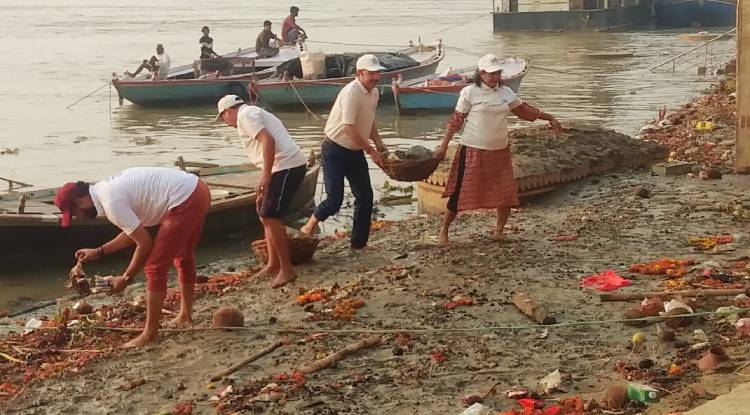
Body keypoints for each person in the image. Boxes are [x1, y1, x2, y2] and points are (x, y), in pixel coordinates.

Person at [53, 167, 210, 348]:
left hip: (185, 200)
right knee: (182, 256)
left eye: (74, 213)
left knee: (154, 268)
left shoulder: (111, 203)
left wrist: (126, 278)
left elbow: (144, 243)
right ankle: (185, 316)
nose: (78, 218)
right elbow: (133, 233)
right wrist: (99, 251)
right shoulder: (106, 191)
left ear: (80, 201)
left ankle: (150, 334)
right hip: (197, 190)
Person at [434, 54, 562, 246]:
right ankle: (444, 232)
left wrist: (549, 117)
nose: (495, 77)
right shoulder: (469, 92)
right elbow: (455, 121)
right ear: (481, 74)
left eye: (498, 73)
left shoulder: (506, 93)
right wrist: (444, 145)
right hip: (472, 149)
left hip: (499, 149)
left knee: (505, 192)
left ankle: (499, 231)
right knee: (459, 192)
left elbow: (524, 111)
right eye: (491, 74)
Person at [216, 95, 308, 288]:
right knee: (265, 215)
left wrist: (265, 175)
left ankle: (286, 268)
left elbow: (268, 140)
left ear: (228, 111)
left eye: (223, 118)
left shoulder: (245, 116)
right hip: (281, 166)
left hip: (286, 166)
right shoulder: (250, 113)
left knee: (271, 215)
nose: (226, 123)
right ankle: (273, 264)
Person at [300, 54, 387, 249]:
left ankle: (359, 243)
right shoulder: (351, 93)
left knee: (365, 197)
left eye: (377, 73)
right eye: (371, 74)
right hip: (335, 150)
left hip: (355, 151)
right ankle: (309, 226)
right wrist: (372, 151)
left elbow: (369, 119)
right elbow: (349, 128)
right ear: (359, 73)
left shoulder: (374, 93)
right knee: (334, 200)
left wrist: (379, 142)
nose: (375, 77)